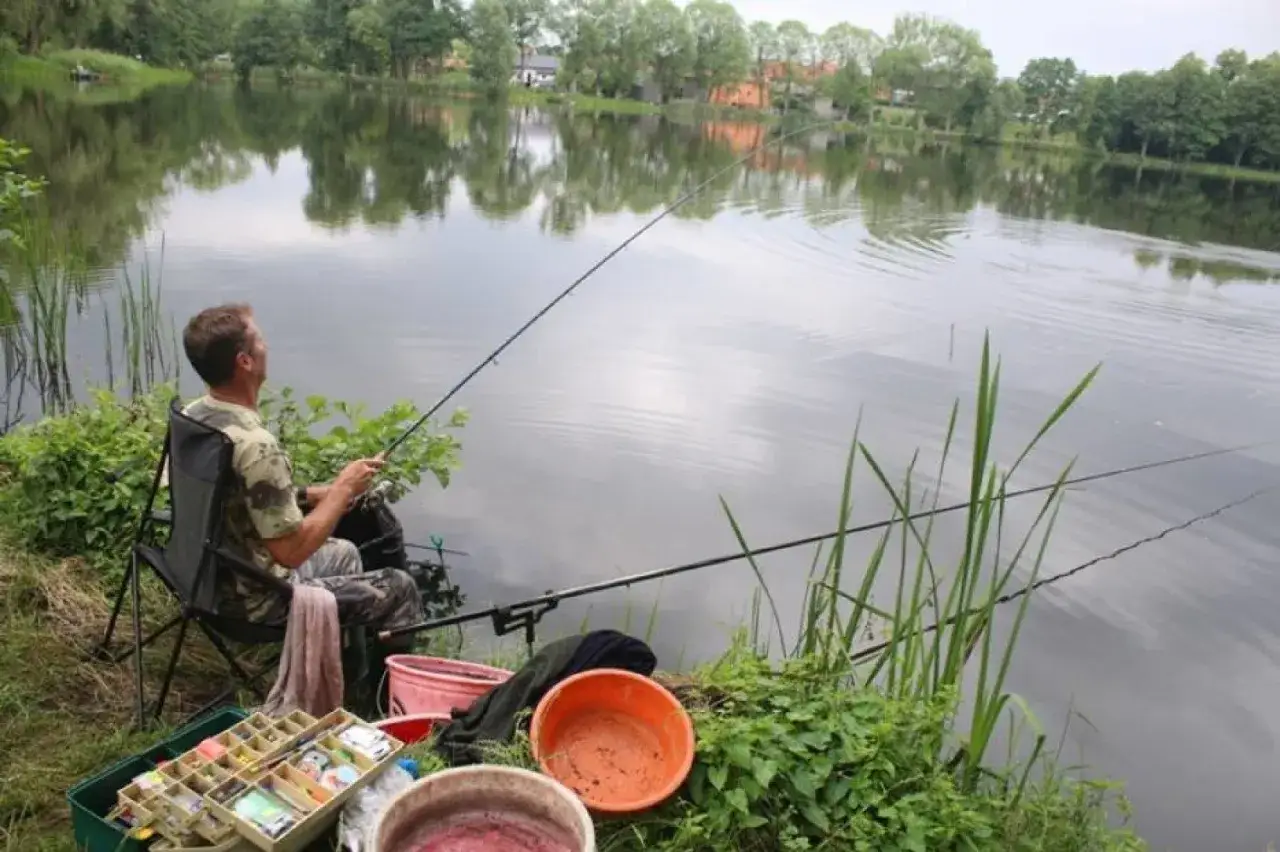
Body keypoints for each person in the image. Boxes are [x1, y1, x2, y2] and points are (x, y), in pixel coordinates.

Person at [178, 302, 424, 640]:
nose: (267, 347)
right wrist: (342, 490)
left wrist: (311, 495)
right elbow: (291, 553)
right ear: (245, 362)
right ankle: (385, 687)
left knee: (345, 552)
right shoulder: (256, 445)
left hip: (201, 580)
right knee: (400, 588)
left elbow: (232, 498)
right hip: (254, 604)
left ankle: (337, 667)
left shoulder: (193, 418)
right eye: (260, 340)